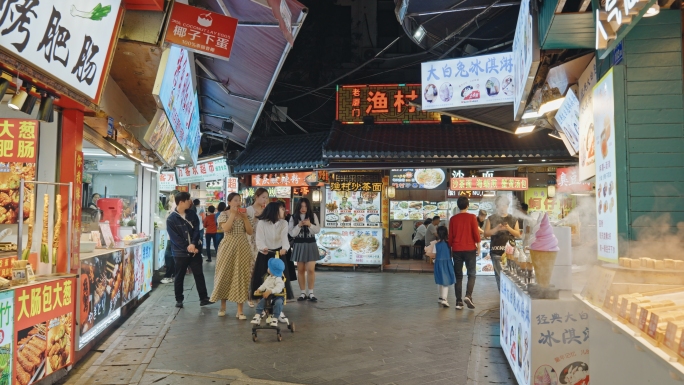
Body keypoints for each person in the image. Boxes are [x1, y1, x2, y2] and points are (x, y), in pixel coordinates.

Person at [166, 192, 213, 308]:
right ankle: (179, 299)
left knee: (199, 274)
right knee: (179, 275)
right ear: (181, 202)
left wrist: (193, 244)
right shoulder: (171, 219)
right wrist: (189, 248)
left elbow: (197, 230)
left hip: (194, 250)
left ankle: (203, 298)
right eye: (188, 200)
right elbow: (175, 239)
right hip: (180, 253)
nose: (190, 202)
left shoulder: (192, 214)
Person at [210, 193, 254, 318]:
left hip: (243, 248)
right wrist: (233, 214)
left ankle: (240, 310)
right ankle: (223, 306)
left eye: (239, 200)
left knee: (241, 276)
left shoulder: (246, 215)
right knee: (225, 274)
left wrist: (245, 218)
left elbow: (250, 232)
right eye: (235, 200)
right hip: (227, 247)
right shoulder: (223, 214)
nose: (238, 203)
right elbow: (226, 229)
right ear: (229, 202)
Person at [253, 201, 293, 322]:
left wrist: (285, 248)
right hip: (265, 254)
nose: (284, 211)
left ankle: (278, 310)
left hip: (279, 255)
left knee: (280, 282)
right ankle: (263, 309)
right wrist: (263, 247)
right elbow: (259, 239)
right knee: (263, 281)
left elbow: (284, 237)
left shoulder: (284, 223)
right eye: (281, 209)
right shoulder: (262, 223)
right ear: (274, 210)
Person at [449, 196, 482, 310]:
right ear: (467, 205)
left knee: (458, 276)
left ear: (458, 206)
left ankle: (458, 302)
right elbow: (476, 233)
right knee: (471, 273)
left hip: (457, 250)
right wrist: (478, 246)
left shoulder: (453, 219)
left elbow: (451, 237)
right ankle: (468, 296)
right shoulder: (472, 217)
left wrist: (450, 250)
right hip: (469, 249)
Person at [484, 196, 521, 290]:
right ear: (497, 206)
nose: (502, 207)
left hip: (510, 253)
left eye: (504, 205)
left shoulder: (513, 219)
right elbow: (486, 234)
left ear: (507, 206)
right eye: (500, 205)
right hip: (496, 252)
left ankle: (509, 298)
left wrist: (508, 228)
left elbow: (518, 234)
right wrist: (497, 229)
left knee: (512, 276)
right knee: (499, 277)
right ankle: (502, 298)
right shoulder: (491, 218)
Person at [289, 198, 321, 301]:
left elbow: (317, 230)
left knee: (311, 269)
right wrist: (299, 225)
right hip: (299, 244)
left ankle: (311, 292)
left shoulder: (313, 216)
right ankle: (303, 293)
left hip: (310, 243)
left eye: (305, 206)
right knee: (301, 270)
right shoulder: (293, 218)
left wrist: (309, 224)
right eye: (302, 206)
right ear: (298, 206)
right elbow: (292, 233)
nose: (303, 208)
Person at [246, 188, 269, 307]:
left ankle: (259, 296)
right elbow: (245, 227)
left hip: (262, 244)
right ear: (256, 197)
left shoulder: (266, 210)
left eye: (266, 197)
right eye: (263, 197)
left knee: (260, 271)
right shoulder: (249, 210)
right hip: (251, 243)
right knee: (251, 271)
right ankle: (250, 296)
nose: (265, 199)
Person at [250, 258, 286, 327]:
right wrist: (259, 290)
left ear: (272, 270)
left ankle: (275, 318)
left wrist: (271, 291)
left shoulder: (278, 279)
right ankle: (257, 315)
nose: (267, 268)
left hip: (277, 296)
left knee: (278, 303)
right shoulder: (268, 278)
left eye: (269, 267)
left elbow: (279, 288)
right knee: (261, 302)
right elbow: (264, 285)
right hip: (268, 297)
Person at [434, 226, 455, 307]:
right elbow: (451, 254)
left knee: (440, 280)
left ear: (438, 234)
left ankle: (440, 297)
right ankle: (444, 299)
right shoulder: (449, 245)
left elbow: (434, 255)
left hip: (438, 264)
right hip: (447, 264)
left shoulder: (436, 245)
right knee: (446, 282)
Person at [161, 191, 178, 284]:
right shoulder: (176, 205)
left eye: (171, 195)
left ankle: (169, 275)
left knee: (169, 255)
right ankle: (173, 275)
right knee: (172, 255)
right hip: (173, 236)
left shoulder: (175, 205)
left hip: (172, 236)